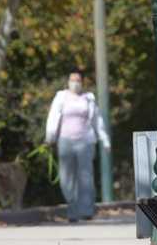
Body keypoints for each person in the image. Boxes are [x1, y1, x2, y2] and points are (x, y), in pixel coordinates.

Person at [44, 71, 111, 222]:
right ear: (68, 82)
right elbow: (53, 117)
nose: (75, 83)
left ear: (82, 82)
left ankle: (86, 211)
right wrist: (49, 137)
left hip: (85, 141)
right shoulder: (61, 97)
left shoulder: (88, 98)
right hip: (65, 141)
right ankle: (72, 209)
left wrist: (105, 140)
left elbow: (97, 120)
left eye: (78, 80)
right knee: (66, 178)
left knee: (85, 177)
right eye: (72, 80)